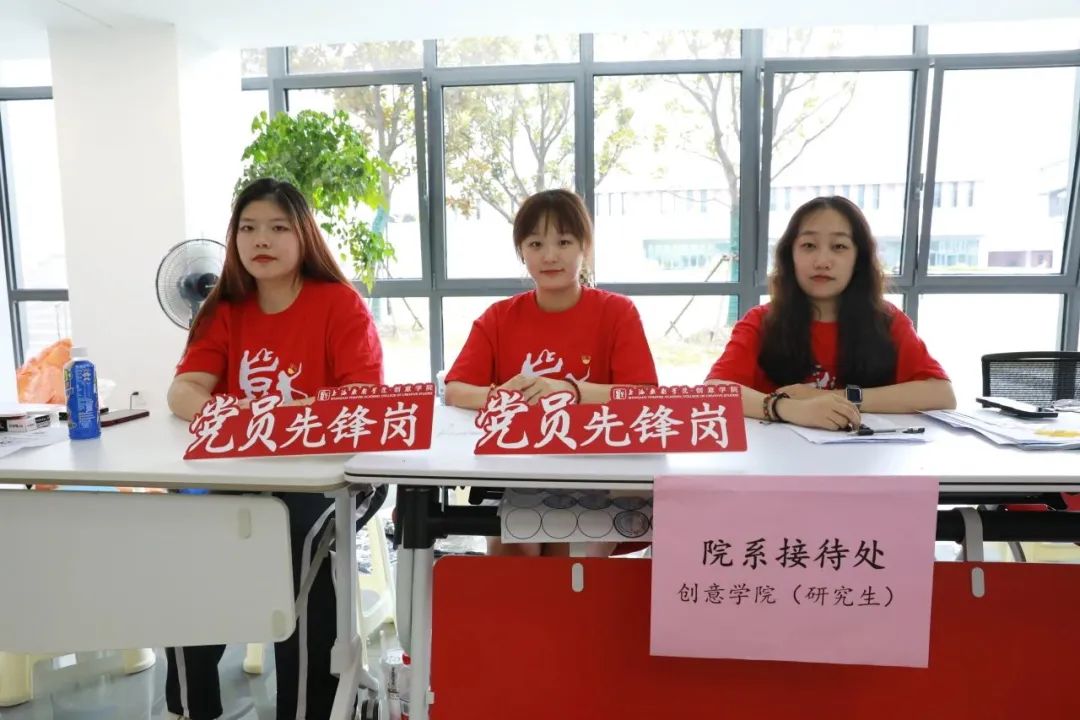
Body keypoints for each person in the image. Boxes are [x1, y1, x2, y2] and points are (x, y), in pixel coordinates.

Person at [165, 178, 385, 720]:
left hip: (331, 475)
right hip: (242, 473)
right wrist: (238, 416)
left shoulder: (340, 305)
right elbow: (183, 391)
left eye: (277, 228)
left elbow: (364, 400)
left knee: (300, 544)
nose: (260, 239)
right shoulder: (223, 309)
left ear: (303, 235)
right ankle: (193, 707)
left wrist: (297, 416)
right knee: (179, 541)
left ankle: (307, 709)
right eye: (248, 228)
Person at [444, 189, 658, 556]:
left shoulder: (618, 313)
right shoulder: (499, 317)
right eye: (535, 244)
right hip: (516, 474)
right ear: (521, 251)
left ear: (585, 247)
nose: (549, 256)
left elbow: (644, 396)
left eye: (564, 242)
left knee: (571, 551)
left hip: (597, 473)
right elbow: (455, 390)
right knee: (513, 552)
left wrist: (572, 391)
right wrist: (501, 395)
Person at [706, 195, 955, 429]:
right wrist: (786, 408)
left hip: (867, 457)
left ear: (858, 259)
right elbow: (712, 392)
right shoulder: (761, 321)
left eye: (839, 246)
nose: (822, 261)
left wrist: (840, 398)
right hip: (781, 458)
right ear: (790, 256)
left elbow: (942, 394)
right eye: (808, 245)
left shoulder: (888, 321)